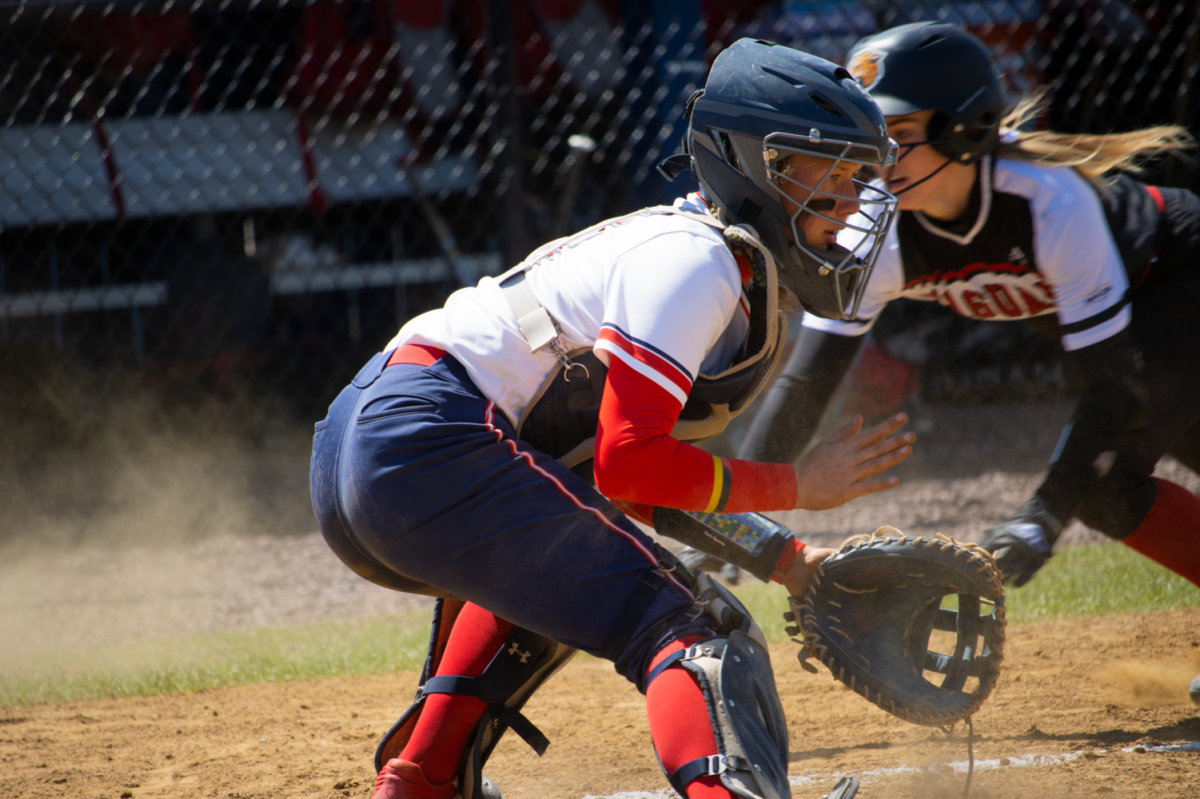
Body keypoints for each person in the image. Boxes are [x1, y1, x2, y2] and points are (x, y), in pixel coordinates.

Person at [310, 38, 911, 799]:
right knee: (691, 623)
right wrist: (794, 482)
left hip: (375, 446)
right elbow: (628, 465)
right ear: (755, 166)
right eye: (828, 176)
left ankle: (424, 779)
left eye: (857, 179)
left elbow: (609, 488)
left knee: (569, 558)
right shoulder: (697, 262)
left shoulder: (702, 254)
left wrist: (787, 558)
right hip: (422, 436)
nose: (853, 202)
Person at [735, 21, 1200, 595]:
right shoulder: (875, 229)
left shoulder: (1043, 202)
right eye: (874, 135)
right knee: (1107, 482)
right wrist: (736, 519)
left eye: (902, 131)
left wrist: (1042, 517)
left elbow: (1111, 387)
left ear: (965, 127)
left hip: (1180, 276)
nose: (883, 156)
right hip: (1139, 335)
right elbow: (807, 381)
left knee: (1103, 481)